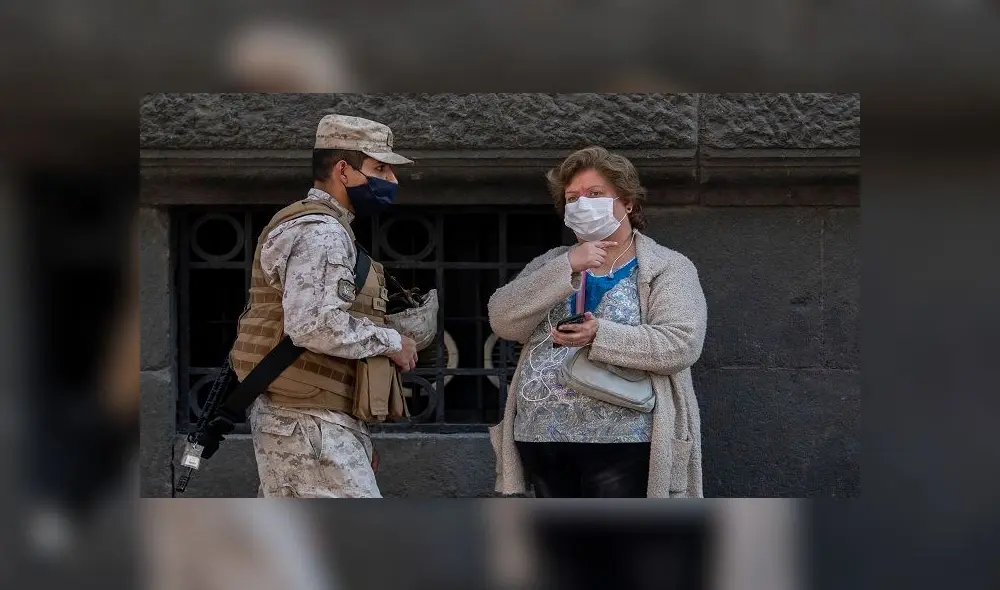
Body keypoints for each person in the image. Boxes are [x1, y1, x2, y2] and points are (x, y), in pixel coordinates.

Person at [231, 114, 435, 498]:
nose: (391, 180)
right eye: (380, 168)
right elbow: (313, 325)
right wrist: (392, 341)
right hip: (306, 423)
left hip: (312, 418)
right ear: (344, 169)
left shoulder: (328, 228)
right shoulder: (320, 232)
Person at [488, 146, 708, 498]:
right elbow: (503, 319)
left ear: (628, 203)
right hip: (541, 435)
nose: (581, 205)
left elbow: (680, 344)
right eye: (572, 198)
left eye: (594, 194)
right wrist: (568, 266)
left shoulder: (667, 266)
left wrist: (598, 334)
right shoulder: (553, 261)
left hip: (626, 439)